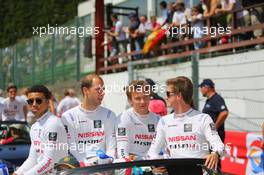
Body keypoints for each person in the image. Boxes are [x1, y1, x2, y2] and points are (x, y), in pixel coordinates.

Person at [147, 76, 224, 172]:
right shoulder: (164, 121)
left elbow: (219, 145)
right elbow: (152, 152)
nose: (165, 97)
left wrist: (215, 154)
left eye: (168, 94)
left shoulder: (203, 118)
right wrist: (155, 166)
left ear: (179, 96)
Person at [61, 74, 116, 166]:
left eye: (103, 89)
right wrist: (85, 164)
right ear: (86, 91)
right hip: (81, 166)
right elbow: (72, 148)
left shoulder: (109, 115)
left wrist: (107, 161)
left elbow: (112, 147)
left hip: (104, 165)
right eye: (98, 89)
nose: (103, 93)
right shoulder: (68, 117)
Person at [13, 85, 68, 175]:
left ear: (47, 102)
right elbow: (33, 159)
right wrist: (17, 173)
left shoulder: (53, 123)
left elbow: (49, 161)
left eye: (38, 101)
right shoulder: (35, 126)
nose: (34, 104)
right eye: (30, 101)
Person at [116, 80, 160, 160]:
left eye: (145, 97)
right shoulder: (123, 117)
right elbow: (122, 150)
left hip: (152, 162)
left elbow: (161, 149)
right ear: (130, 100)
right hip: (133, 164)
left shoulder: (158, 119)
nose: (142, 102)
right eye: (138, 98)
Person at [199, 79, 229, 143]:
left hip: (216, 137)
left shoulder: (217, 98)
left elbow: (224, 112)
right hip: (210, 136)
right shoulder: (209, 100)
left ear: (207, 88)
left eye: (201, 87)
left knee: (215, 153)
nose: (200, 90)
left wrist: (214, 128)